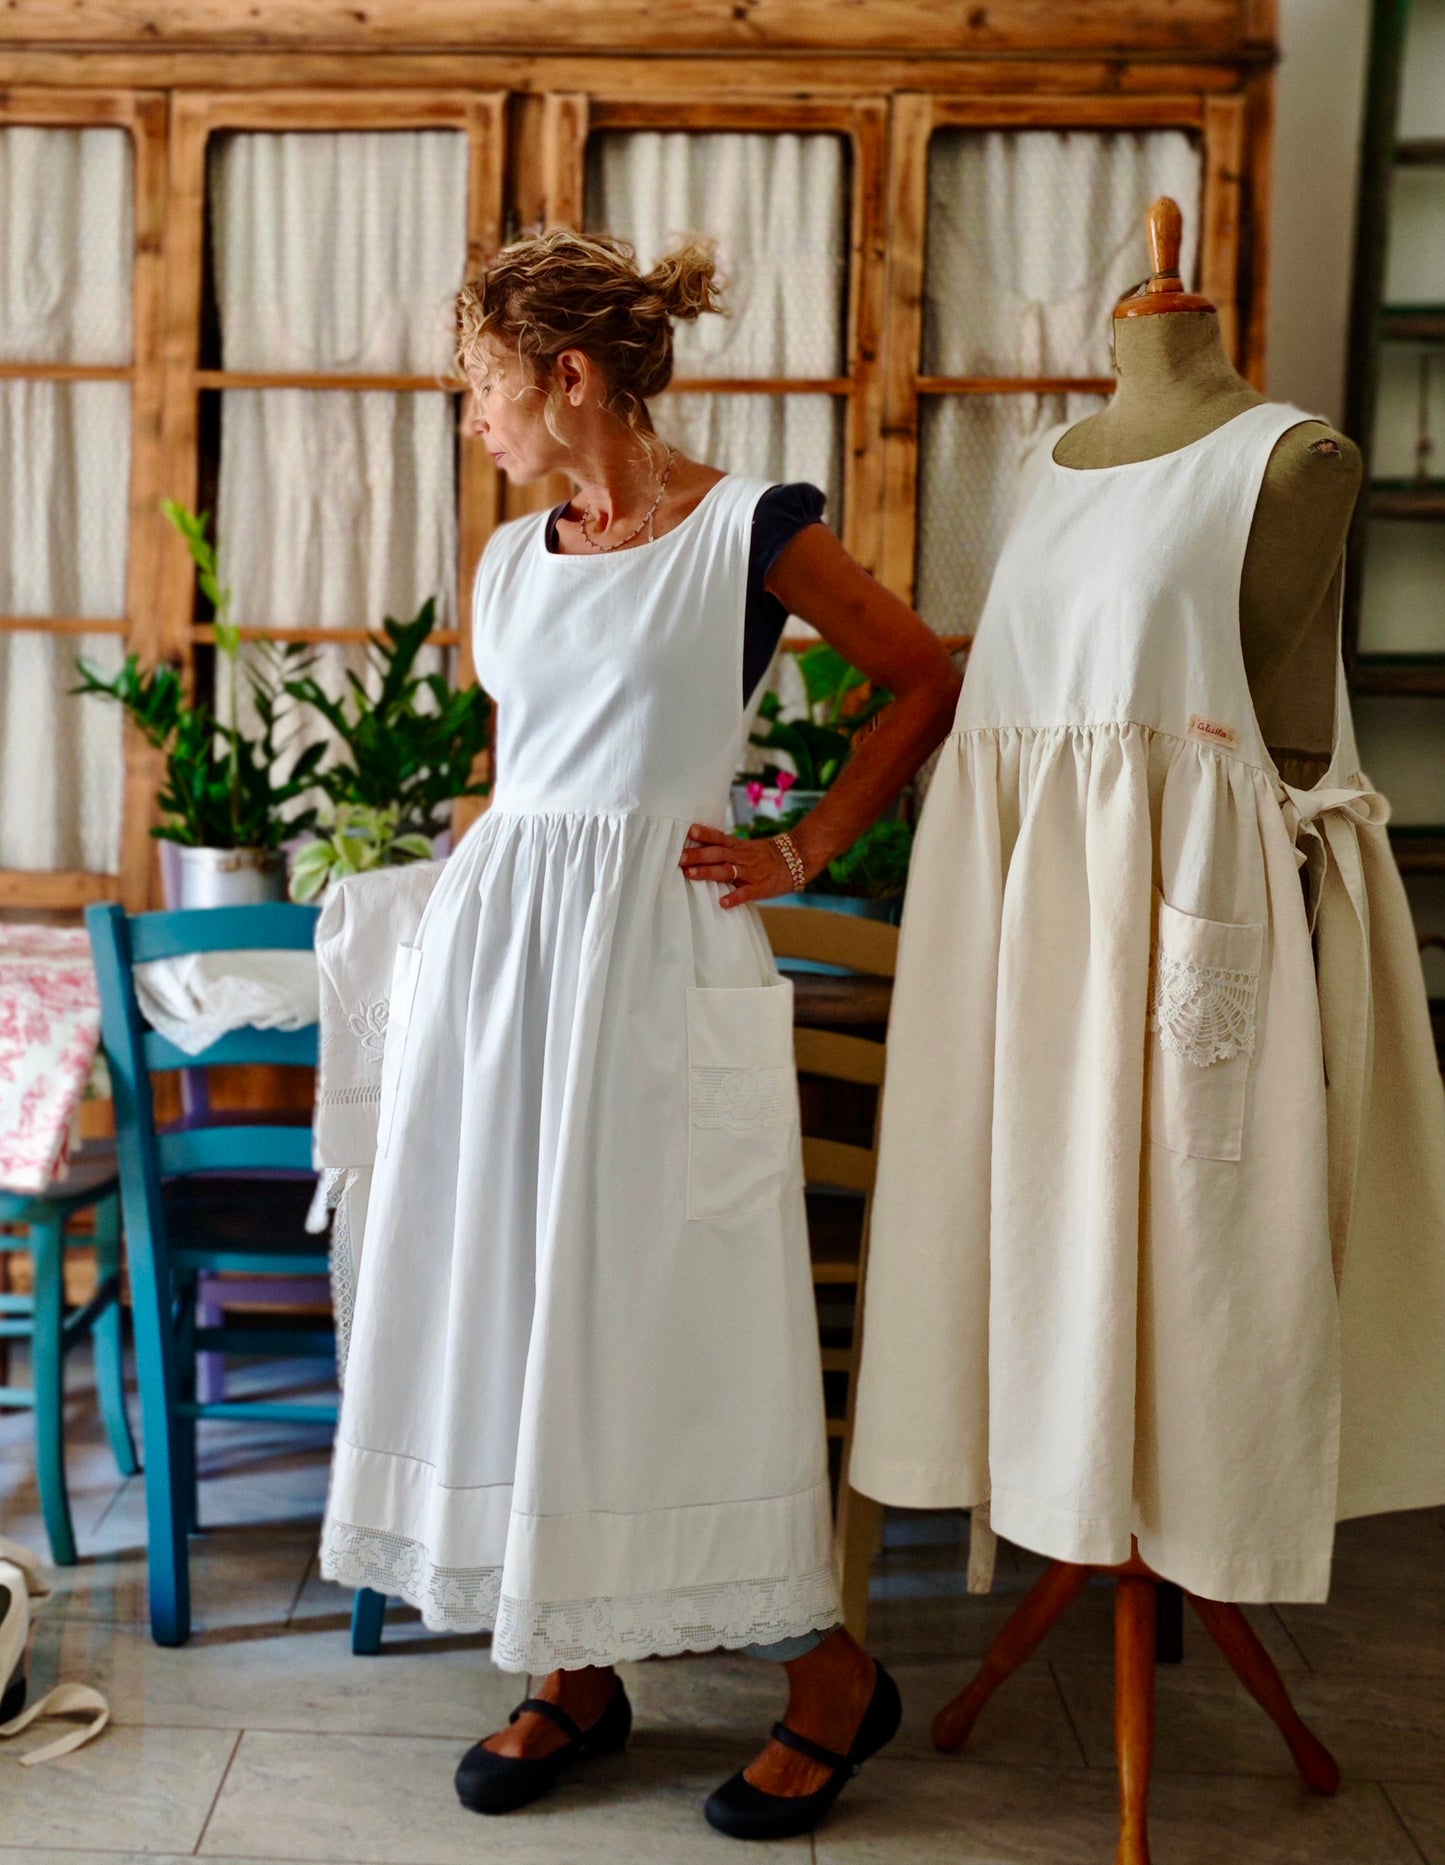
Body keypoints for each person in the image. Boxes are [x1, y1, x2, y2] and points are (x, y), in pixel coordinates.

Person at [316, 227, 962, 1842]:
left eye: (480, 386)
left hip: (659, 964)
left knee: (664, 1321)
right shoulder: (507, 559)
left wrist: (802, 849)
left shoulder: (751, 529)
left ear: (569, 376)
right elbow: (523, 772)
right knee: (510, 1303)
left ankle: (825, 1679)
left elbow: (921, 677)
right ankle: (572, 1663)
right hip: (505, 972)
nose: (472, 419)